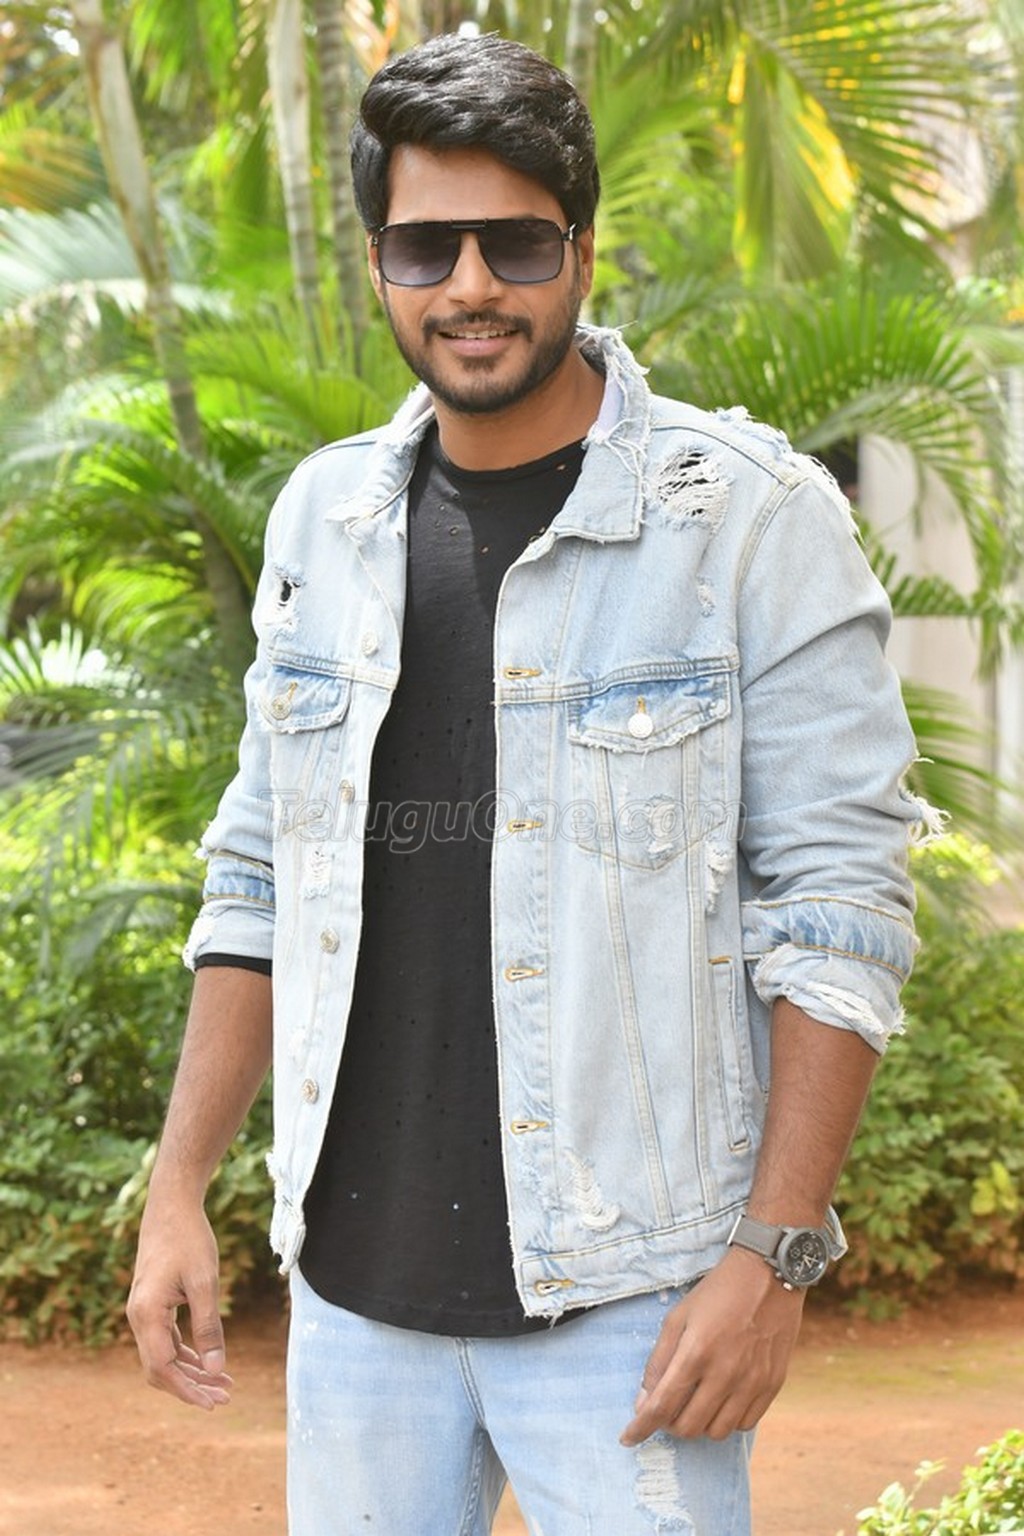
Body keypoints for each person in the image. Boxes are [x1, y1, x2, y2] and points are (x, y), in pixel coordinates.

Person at [127, 31, 925, 1536]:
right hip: (354, 1301)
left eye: (518, 243)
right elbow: (257, 877)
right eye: (427, 246)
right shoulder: (322, 520)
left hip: (630, 1306)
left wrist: (774, 1255)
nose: (472, 285)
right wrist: (180, 1189)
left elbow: (840, 915)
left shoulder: (748, 525)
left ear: (583, 252)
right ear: (380, 264)